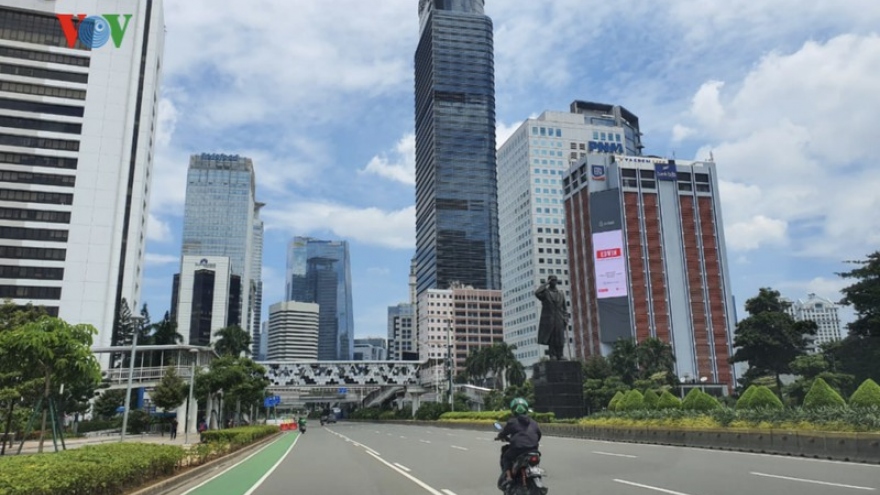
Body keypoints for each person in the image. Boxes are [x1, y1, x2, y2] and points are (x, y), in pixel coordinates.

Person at [496, 398, 542, 490]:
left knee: (506, 457)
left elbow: (504, 433)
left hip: (518, 450)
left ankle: (509, 477)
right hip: (534, 450)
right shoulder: (533, 422)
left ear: (513, 410)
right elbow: (539, 434)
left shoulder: (512, 422)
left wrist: (500, 436)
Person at [535, 275, 568, 361]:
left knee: (560, 338)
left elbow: (564, 308)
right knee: (552, 338)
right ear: (549, 281)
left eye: (555, 280)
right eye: (552, 280)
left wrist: (565, 319)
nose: (554, 282)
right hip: (549, 319)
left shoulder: (561, 293)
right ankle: (552, 355)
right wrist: (546, 283)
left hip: (559, 318)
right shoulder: (546, 293)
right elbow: (537, 293)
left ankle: (560, 354)